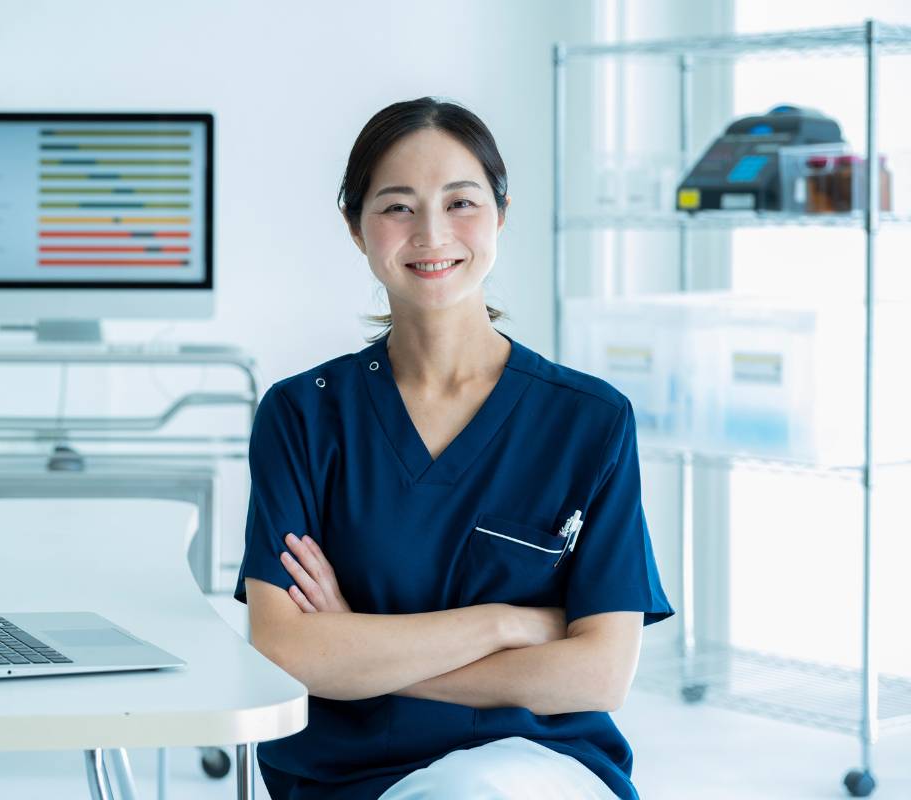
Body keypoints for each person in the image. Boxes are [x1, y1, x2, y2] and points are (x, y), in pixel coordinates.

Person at [234, 96, 674, 800]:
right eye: (398, 207)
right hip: (349, 777)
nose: (432, 234)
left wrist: (360, 649)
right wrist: (502, 624)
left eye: (461, 202)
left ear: (501, 213)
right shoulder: (304, 415)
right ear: (356, 228)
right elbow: (287, 651)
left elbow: (598, 675)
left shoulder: (588, 422)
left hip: (538, 765)